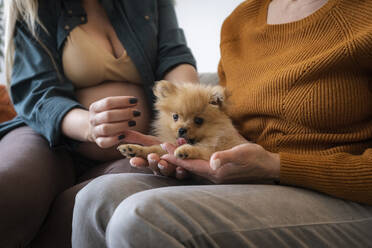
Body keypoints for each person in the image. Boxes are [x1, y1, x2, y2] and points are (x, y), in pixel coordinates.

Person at [72, 0, 372, 247]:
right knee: (95, 198)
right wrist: (201, 151)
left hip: (340, 194)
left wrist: (275, 166)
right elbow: (230, 124)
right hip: (256, 182)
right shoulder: (240, 22)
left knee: (141, 217)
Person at [0, 0, 198, 247]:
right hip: (46, 138)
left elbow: (173, 55)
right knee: (10, 190)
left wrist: (184, 117)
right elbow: (37, 90)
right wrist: (89, 126)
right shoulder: (33, 6)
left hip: (133, 149)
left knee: (94, 205)